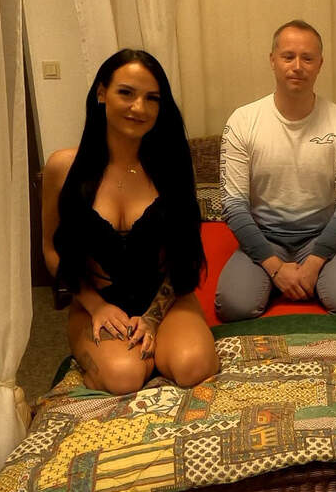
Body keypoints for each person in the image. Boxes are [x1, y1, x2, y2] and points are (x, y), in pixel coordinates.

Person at [42, 49, 219, 395]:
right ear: (101, 93)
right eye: (126, 93)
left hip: (166, 300)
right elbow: (51, 248)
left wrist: (152, 317)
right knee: (123, 376)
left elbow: (184, 254)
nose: (139, 108)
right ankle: (136, 359)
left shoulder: (172, 167)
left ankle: (159, 351)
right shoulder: (62, 167)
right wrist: (95, 305)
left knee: (193, 366)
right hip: (95, 300)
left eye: (152, 98)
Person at [216, 19, 336, 321]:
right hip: (263, 236)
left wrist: (313, 265)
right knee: (234, 307)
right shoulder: (242, 121)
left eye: (307, 58)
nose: (297, 66)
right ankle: (278, 280)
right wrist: (275, 268)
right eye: (288, 56)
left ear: (320, 64)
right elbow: (233, 206)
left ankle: (299, 279)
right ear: (272, 60)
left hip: (321, 237)